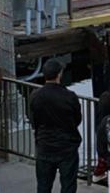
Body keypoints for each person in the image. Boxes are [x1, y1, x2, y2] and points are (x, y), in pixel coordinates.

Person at [29, 58, 82, 193]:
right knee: (68, 185)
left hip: (44, 145)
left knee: (43, 185)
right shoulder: (70, 96)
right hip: (66, 146)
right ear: (59, 74)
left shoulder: (35, 95)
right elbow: (77, 119)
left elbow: (34, 120)